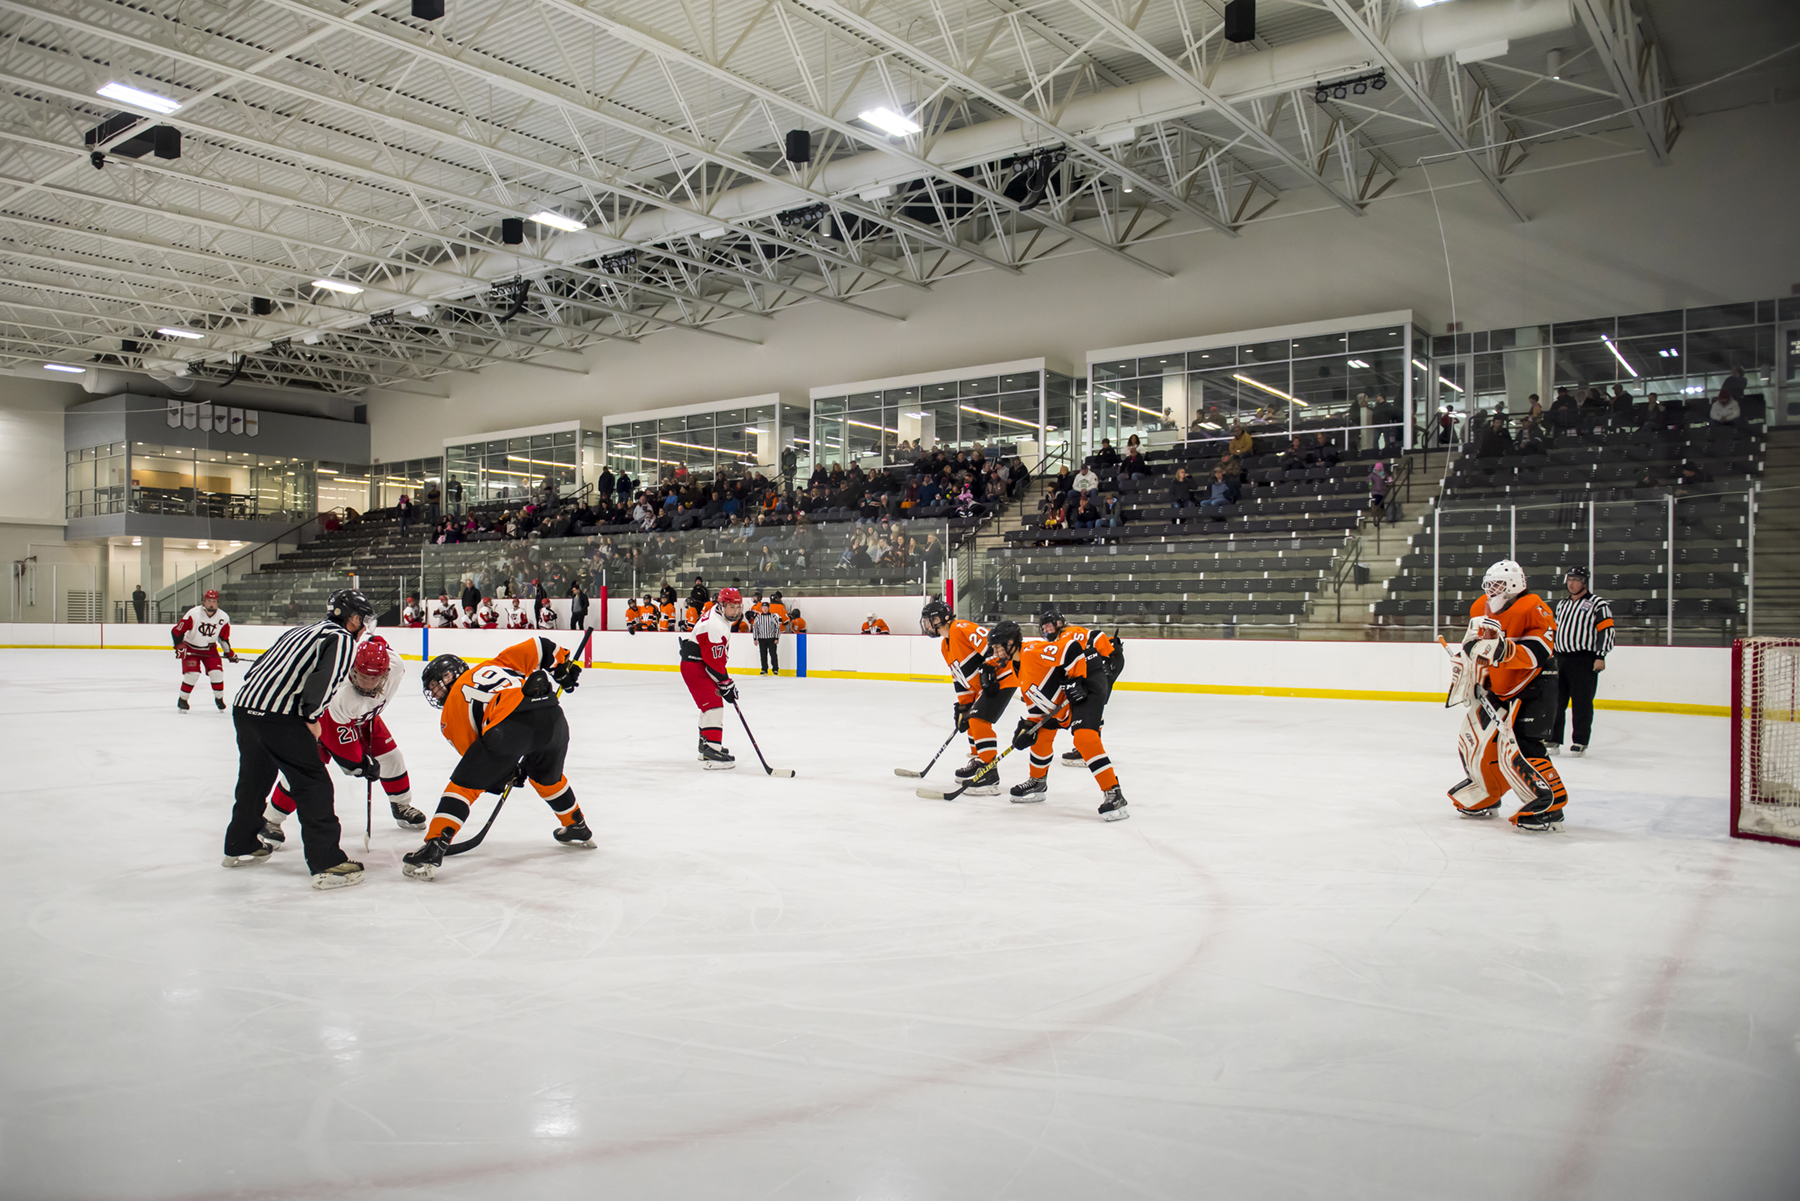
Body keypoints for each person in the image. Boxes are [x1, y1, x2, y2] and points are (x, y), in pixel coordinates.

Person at [221, 588, 371, 890]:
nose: (365, 626)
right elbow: (325, 680)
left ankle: (239, 843)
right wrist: (312, 717)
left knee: (254, 778)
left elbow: (257, 668)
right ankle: (327, 862)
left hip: (246, 708)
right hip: (280, 717)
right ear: (353, 618)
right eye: (363, 619)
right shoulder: (341, 639)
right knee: (313, 783)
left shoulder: (300, 630)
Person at [404, 635, 589, 879]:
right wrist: (562, 666)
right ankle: (576, 825)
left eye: (437, 685)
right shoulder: (495, 663)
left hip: (508, 726)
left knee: (463, 786)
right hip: (552, 716)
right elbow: (540, 646)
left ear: (451, 676)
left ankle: (434, 845)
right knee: (546, 777)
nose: (436, 693)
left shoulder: (449, 715)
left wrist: (506, 771)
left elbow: (478, 762)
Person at [261, 635, 427, 843]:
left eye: (374, 678)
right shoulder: (342, 695)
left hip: (364, 717)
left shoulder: (395, 666)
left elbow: (377, 640)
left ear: (385, 674)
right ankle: (271, 820)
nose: (367, 683)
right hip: (321, 721)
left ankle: (401, 805)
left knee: (392, 757)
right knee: (306, 771)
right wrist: (361, 766)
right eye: (362, 676)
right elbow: (344, 749)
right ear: (352, 670)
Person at [1447, 561, 1569, 831]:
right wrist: (1469, 666)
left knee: (1525, 745)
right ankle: (1486, 793)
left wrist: (1505, 651)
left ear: (1516, 584)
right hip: (1498, 684)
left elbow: (1541, 650)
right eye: (1489, 584)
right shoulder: (1480, 606)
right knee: (1477, 740)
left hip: (1535, 684)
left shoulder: (1533, 606)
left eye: (1499, 584)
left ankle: (1550, 805)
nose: (1492, 589)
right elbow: (1475, 643)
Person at [993, 609, 1127, 820]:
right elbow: (1037, 703)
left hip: (1088, 680)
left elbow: (1071, 649)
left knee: (1084, 737)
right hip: (1064, 695)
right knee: (1040, 734)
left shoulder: (1032, 651)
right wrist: (1029, 728)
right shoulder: (1017, 667)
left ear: (1011, 644)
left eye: (998, 648)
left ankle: (1114, 792)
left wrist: (1076, 680)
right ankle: (1037, 782)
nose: (996, 653)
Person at [920, 598, 1014, 797]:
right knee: (970, 718)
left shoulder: (961, 628)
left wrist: (990, 666)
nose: (927, 624)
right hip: (984, 686)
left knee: (978, 720)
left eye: (931, 619)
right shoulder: (945, 646)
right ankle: (979, 761)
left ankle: (989, 774)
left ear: (943, 618)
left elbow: (994, 645)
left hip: (1004, 678)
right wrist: (963, 706)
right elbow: (960, 679)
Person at [1549, 566, 1614, 757]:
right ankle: (1552, 738)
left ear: (1584, 582)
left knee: (1582, 702)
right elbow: (1554, 631)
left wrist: (1600, 656)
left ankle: (1580, 741)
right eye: (1569, 579)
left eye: (1576, 579)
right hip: (1560, 658)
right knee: (1556, 701)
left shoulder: (1598, 604)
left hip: (1583, 659)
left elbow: (1607, 631)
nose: (1571, 583)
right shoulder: (1562, 604)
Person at [680, 586, 743, 769]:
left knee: (709, 705)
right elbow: (713, 662)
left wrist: (725, 683)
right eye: (732, 607)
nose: (736, 611)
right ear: (721, 605)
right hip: (696, 667)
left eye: (738, 607)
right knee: (713, 705)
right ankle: (711, 751)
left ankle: (705, 746)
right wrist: (726, 683)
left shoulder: (717, 615)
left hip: (698, 664)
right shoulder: (715, 625)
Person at [171, 588, 236, 711]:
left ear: (218, 602)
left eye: (214, 601)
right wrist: (179, 646)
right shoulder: (193, 614)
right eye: (209, 600)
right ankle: (183, 699)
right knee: (192, 675)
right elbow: (176, 631)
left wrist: (229, 653)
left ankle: (219, 698)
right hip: (191, 649)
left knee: (217, 674)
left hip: (210, 650)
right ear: (204, 601)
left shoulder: (223, 617)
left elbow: (223, 638)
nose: (211, 603)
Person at [753, 600, 782, 675]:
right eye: (763, 607)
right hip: (761, 638)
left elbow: (777, 627)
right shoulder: (758, 617)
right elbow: (755, 628)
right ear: (761, 609)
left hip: (771, 638)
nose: (764, 609)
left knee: (773, 654)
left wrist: (777, 637)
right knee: (763, 654)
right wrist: (755, 638)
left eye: (766, 607)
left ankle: (775, 669)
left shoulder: (773, 616)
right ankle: (764, 669)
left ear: (768, 608)